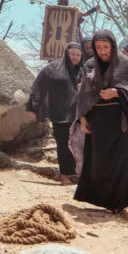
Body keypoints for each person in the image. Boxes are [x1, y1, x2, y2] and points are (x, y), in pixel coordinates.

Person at [69, 30, 128, 223]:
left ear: (113, 46)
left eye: (106, 47)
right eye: (99, 48)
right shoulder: (90, 65)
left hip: (123, 123)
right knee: (104, 163)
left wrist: (117, 92)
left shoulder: (126, 64)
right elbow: (84, 94)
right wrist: (82, 117)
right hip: (99, 125)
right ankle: (114, 203)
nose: (102, 51)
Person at [26, 42, 83, 184]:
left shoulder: (83, 71)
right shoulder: (53, 69)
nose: (75, 57)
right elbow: (39, 86)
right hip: (60, 114)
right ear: (66, 54)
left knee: (77, 144)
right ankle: (64, 175)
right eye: (72, 54)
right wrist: (33, 106)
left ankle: (75, 173)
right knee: (64, 145)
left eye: (78, 55)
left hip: (78, 114)